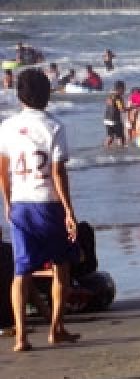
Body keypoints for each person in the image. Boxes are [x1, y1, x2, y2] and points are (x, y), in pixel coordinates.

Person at [0, 68, 80, 351]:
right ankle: (56, 328)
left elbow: (3, 168)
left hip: (21, 204)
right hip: (48, 203)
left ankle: (21, 336)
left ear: (19, 95)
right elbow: (58, 171)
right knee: (61, 266)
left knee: (21, 271)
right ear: (47, 95)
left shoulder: (7, 126)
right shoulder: (55, 126)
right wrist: (69, 210)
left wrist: (8, 201)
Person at [103, 81, 126, 148]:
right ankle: (121, 152)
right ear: (120, 89)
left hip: (106, 119)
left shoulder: (110, 96)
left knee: (110, 136)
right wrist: (131, 108)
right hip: (115, 119)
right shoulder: (118, 97)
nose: (124, 90)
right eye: (123, 88)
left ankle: (106, 149)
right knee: (120, 137)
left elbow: (109, 105)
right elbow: (122, 109)